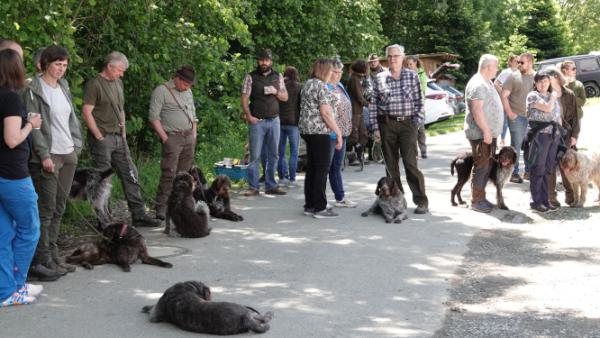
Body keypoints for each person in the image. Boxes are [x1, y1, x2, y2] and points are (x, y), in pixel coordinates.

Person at [82, 51, 161, 227]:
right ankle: (103, 220)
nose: (121, 74)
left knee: (131, 173)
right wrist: (98, 136)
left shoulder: (118, 83)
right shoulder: (94, 84)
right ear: (109, 66)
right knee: (103, 180)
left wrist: (124, 132)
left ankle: (139, 214)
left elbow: (121, 109)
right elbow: (87, 112)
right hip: (102, 139)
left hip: (119, 138)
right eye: (119, 70)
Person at [24, 45, 82, 279]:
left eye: (65, 65)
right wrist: (44, 155)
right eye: (57, 64)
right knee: (46, 210)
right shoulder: (33, 88)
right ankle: (42, 259)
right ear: (46, 63)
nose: (61, 69)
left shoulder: (64, 86)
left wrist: (77, 145)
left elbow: (70, 118)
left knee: (59, 207)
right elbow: (34, 126)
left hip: (68, 152)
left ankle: (55, 255)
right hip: (48, 156)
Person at [0, 45, 44, 307]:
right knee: (30, 230)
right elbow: (12, 139)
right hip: (13, 175)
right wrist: (31, 124)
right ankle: (16, 284)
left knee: (4, 234)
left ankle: (5, 290)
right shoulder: (11, 98)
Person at [369, 44, 429, 214]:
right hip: (387, 125)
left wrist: (416, 123)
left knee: (411, 164)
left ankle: (421, 200)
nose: (392, 59)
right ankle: (397, 199)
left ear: (403, 57)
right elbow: (373, 105)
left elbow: (420, 101)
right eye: (389, 56)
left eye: (396, 56)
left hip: (408, 124)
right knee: (390, 166)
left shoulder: (412, 76)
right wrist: (375, 128)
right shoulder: (379, 78)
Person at [149, 66, 198, 220]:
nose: (187, 87)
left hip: (188, 137)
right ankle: (161, 207)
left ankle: (181, 206)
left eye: (189, 85)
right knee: (169, 174)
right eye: (185, 84)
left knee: (184, 176)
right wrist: (165, 138)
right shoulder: (161, 91)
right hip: (172, 138)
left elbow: (193, 114)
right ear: (177, 79)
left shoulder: (188, 91)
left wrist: (194, 135)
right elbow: (153, 117)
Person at [241, 49, 288, 196]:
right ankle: (253, 187)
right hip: (257, 122)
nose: (264, 63)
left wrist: (275, 92)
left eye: (266, 60)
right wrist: (248, 116)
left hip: (274, 120)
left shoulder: (278, 76)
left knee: (274, 154)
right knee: (255, 155)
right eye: (261, 60)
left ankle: (271, 185)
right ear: (258, 61)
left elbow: (285, 97)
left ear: (271, 62)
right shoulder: (250, 77)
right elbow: (244, 98)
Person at [299, 58, 343, 219]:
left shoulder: (307, 84)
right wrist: (338, 132)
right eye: (331, 70)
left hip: (307, 131)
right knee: (321, 170)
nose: (332, 73)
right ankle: (320, 208)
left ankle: (310, 205)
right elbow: (325, 113)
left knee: (312, 169)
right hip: (319, 132)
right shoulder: (321, 86)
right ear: (325, 70)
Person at [463, 54, 504, 213]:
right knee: (481, 166)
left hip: (487, 134)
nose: (497, 69)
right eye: (496, 66)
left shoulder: (486, 82)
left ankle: (481, 197)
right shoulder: (478, 84)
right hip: (480, 134)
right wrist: (487, 131)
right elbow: (476, 109)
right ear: (488, 67)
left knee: (486, 166)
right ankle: (476, 201)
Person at [525, 71, 561, 213]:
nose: (543, 83)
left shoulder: (551, 97)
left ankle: (545, 201)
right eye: (540, 81)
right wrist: (553, 96)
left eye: (546, 81)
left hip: (553, 135)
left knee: (548, 169)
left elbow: (557, 115)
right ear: (535, 83)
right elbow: (548, 108)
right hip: (539, 136)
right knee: (538, 169)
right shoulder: (532, 96)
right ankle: (536, 202)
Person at [546, 68, 579, 207]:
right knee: (551, 167)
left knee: (567, 165)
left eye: (547, 77)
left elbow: (575, 118)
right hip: (549, 135)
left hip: (566, 134)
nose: (545, 80)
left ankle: (571, 196)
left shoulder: (569, 94)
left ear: (556, 77)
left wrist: (574, 135)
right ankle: (551, 198)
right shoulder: (544, 94)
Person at [501, 52, 535, 183]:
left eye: (522, 62)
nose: (519, 64)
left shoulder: (537, 77)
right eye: (518, 62)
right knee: (516, 145)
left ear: (530, 62)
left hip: (532, 118)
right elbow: (504, 95)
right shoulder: (513, 77)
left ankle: (528, 172)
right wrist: (509, 113)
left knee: (530, 146)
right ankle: (513, 173)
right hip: (517, 116)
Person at [327, 60, 356, 208]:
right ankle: (337, 197)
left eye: (340, 72)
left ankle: (339, 197)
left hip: (343, 133)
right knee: (327, 167)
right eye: (335, 72)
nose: (338, 75)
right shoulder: (325, 88)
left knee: (335, 166)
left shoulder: (340, 86)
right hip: (331, 134)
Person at [277, 66, 301, 188]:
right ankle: (292, 179)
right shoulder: (298, 87)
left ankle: (282, 177)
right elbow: (300, 106)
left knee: (280, 152)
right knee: (294, 152)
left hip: (279, 122)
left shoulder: (279, 86)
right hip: (293, 123)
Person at [347, 59, 370, 166]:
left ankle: (360, 156)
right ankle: (352, 158)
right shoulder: (354, 79)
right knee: (354, 136)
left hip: (359, 111)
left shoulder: (359, 78)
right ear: (362, 68)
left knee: (364, 135)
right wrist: (369, 105)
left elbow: (360, 94)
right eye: (366, 66)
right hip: (354, 111)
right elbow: (359, 97)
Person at [405, 55, 428, 159]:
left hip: (419, 105)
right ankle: (414, 152)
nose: (409, 66)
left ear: (415, 63)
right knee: (411, 130)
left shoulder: (421, 73)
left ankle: (423, 150)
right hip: (408, 106)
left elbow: (423, 89)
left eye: (411, 64)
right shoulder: (405, 74)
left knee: (421, 129)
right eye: (407, 64)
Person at [494, 55, 519, 147]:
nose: (518, 63)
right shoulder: (506, 72)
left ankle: (515, 142)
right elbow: (496, 83)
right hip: (506, 100)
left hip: (515, 101)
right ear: (511, 62)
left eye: (519, 61)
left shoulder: (519, 72)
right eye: (516, 61)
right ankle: (502, 140)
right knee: (504, 121)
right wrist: (503, 95)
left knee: (515, 120)